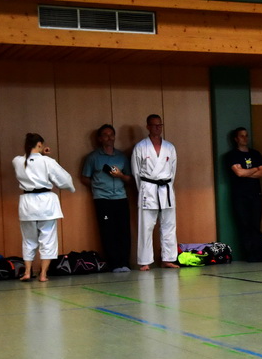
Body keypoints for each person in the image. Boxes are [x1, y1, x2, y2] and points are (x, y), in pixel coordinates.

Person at [13, 133, 75, 282]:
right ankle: (43, 275)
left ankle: (27, 272)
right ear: (40, 144)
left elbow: (28, 159)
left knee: (28, 240)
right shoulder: (47, 161)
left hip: (27, 204)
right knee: (47, 239)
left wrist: (39, 154)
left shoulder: (17, 161)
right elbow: (64, 179)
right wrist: (70, 188)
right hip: (46, 204)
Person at [81, 124, 132, 272]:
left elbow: (129, 179)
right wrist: (98, 186)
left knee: (124, 231)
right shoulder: (93, 157)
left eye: (111, 135)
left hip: (121, 198)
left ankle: (125, 263)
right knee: (108, 232)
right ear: (99, 138)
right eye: (105, 135)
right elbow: (85, 178)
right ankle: (114, 264)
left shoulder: (122, 156)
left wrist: (120, 175)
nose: (109, 138)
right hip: (102, 199)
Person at [132, 114, 179, 271]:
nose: (157, 128)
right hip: (148, 188)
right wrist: (144, 190)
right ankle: (145, 261)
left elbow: (173, 171)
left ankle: (168, 258)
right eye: (154, 125)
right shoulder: (140, 147)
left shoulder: (169, 147)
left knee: (169, 225)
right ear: (148, 127)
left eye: (160, 125)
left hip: (166, 188)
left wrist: (168, 187)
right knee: (146, 226)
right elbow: (136, 172)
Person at [225, 127, 262, 262]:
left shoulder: (255, 154)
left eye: (246, 135)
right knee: (244, 225)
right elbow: (239, 173)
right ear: (236, 139)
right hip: (240, 196)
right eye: (242, 136)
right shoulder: (232, 155)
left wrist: (247, 172)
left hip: (255, 194)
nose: (245, 138)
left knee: (256, 225)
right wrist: (255, 169)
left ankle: (258, 254)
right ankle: (249, 255)